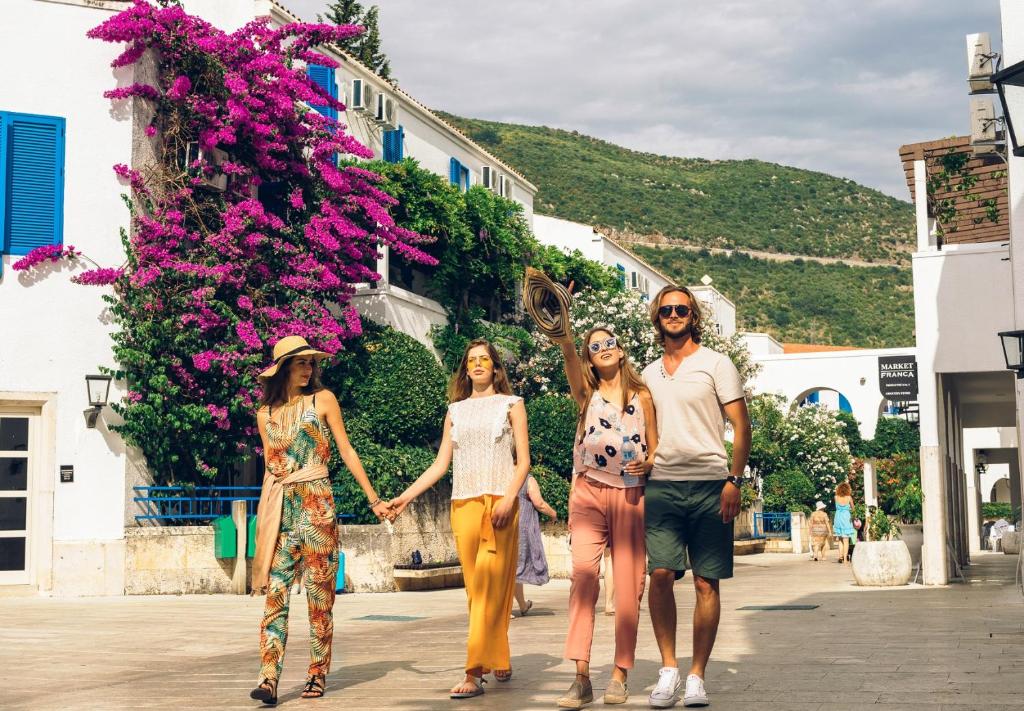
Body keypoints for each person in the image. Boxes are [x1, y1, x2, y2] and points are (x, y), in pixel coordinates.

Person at [250, 336, 391, 705]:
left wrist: (373, 499)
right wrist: (267, 514)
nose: (308, 368)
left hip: (317, 506)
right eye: (301, 363)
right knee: (275, 596)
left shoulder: (323, 400)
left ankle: (317, 672)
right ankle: (268, 678)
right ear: (283, 368)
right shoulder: (265, 414)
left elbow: (346, 450)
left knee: (319, 596)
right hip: (281, 509)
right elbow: (270, 466)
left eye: (311, 362)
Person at [388, 339, 530, 700]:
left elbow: (523, 462)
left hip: (499, 504)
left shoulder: (512, 405)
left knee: (493, 585)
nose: (478, 364)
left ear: (495, 367)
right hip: (463, 505)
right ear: (466, 370)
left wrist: (508, 499)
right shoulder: (455, 410)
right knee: (476, 590)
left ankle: (473, 671)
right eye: (472, 361)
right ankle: (498, 653)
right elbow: (440, 464)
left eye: (484, 359)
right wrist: (405, 497)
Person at [642, 285, 751, 709]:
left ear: (693, 316)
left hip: (710, 484)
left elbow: (741, 425)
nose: (674, 314)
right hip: (663, 485)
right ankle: (668, 668)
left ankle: (696, 676)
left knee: (707, 581)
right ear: (658, 317)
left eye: (682, 309)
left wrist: (734, 480)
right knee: (660, 575)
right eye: (667, 309)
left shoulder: (716, 364)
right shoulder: (648, 373)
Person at [551, 324, 658, 709]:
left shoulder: (643, 397)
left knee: (629, 585)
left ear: (621, 350)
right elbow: (569, 359)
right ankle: (581, 676)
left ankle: (619, 674)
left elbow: (655, 448)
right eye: (595, 347)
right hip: (588, 491)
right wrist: (566, 338)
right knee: (583, 576)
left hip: (629, 493)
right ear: (590, 360)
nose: (604, 348)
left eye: (609, 342)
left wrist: (648, 464)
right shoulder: (587, 395)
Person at [513, 474, 557, 617]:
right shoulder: (527, 479)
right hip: (521, 528)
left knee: (514, 570)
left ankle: (522, 605)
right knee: (513, 570)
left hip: (503, 525)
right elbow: (539, 503)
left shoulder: (502, 475)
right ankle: (504, 610)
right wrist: (553, 513)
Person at [833, 481, 856, 565]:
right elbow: (853, 509)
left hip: (838, 518)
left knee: (840, 539)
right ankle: (845, 559)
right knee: (846, 540)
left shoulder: (836, 497)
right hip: (846, 518)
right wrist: (854, 517)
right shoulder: (849, 498)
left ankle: (840, 556)